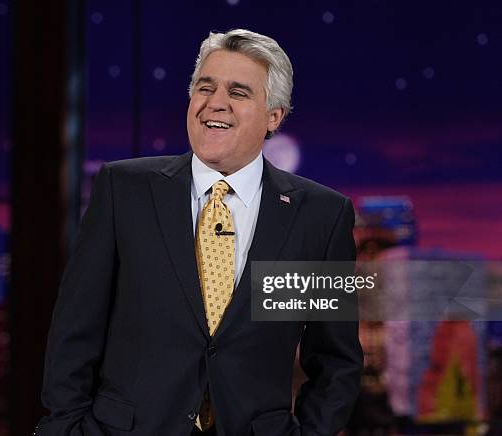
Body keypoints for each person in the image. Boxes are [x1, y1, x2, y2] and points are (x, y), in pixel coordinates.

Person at [36, 28, 363, 436]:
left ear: (274, 116)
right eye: (204, 87)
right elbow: (75, 331)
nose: (216, 103)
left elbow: (335, 360)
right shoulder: (125, 190)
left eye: (239, 92)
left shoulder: (319, 216)